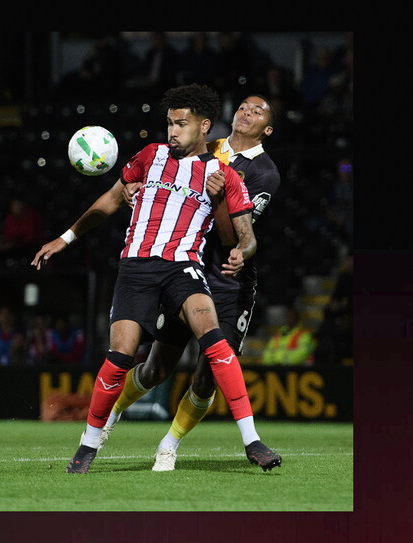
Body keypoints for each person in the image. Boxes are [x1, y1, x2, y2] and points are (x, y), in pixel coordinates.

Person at [32, 83, 280, 474]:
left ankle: (224, 441)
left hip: (207, 274)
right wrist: (67, 236)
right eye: (169, 123)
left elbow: (243, 238)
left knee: (211, 364)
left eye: (180, 124)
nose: (172, 131)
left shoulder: (250, 173)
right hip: (141, 267)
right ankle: (94, 436)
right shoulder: (163, 154)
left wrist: (227, 224)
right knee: (143, 364)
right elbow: (114, 197)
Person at [99, 94, 283, 470]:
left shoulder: (265, 172)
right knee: (155, 368)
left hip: (230, 280)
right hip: (183, 266)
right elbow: (158, 184)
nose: (247, 111)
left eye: (258, 111)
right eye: (244, 106)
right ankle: (111, 414)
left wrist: (219, 203)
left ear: (267, 129)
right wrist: (136, 192)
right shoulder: (201, 146)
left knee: (208, 376)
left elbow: (237, 239)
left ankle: (169, 444)